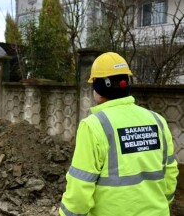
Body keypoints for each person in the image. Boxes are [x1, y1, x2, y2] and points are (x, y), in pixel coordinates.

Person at [59, 52, 178, 216]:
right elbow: (170, 174)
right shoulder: (157, 121)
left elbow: (80, 189)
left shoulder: (93, 126)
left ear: (99, 87)